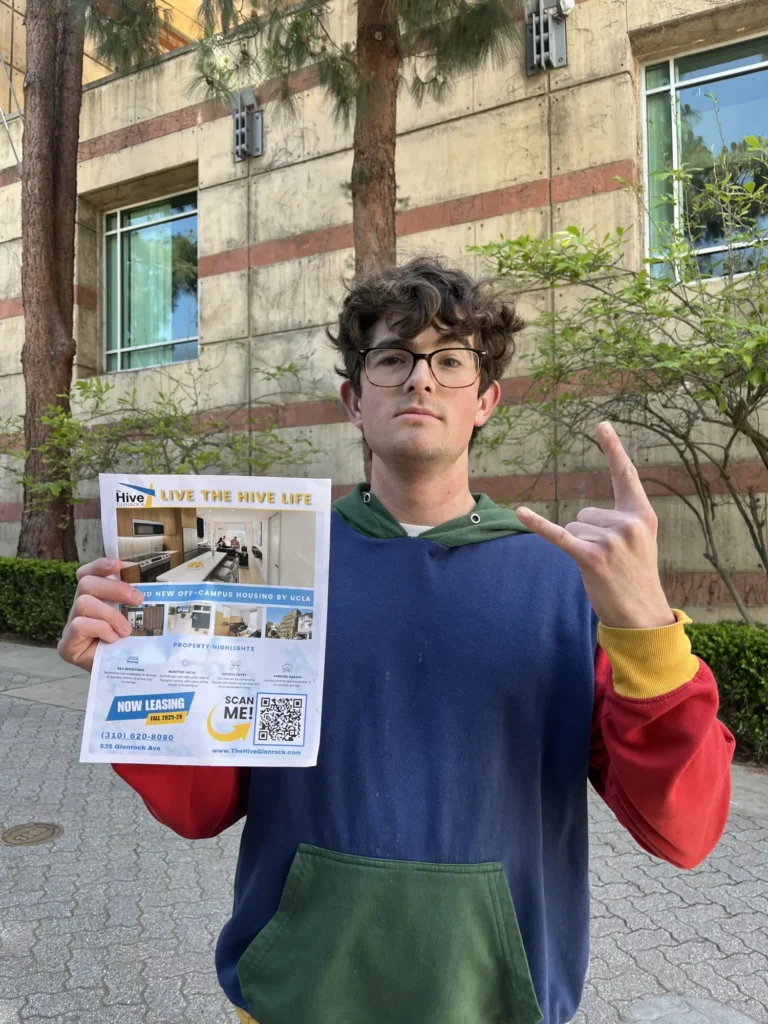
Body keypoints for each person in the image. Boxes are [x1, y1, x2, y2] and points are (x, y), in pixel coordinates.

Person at [59, 257, 734, 1024]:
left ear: (485, 399)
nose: (421, 379)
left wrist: (647, 628)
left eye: (450, 361)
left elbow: (683, 831)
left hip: (495, 1002)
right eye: (392, 359)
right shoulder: (256, 562)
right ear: (354, 400)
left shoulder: (570, 580)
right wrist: (132, 669)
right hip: (296, 996)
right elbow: (202, 807)